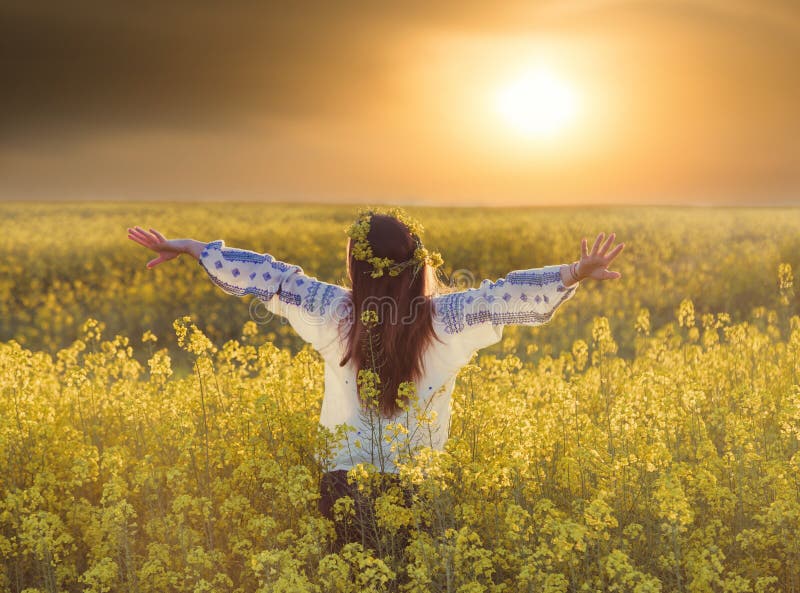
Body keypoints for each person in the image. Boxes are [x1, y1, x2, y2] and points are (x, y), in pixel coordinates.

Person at [127, 208, 624, 548]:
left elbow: (274, 277)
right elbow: (502, 297)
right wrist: (573, 273)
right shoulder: (449, 320)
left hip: (342, 488)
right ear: (418, 263)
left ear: (356, 267)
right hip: (420, 489)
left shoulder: (332, 313)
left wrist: (194, 248)